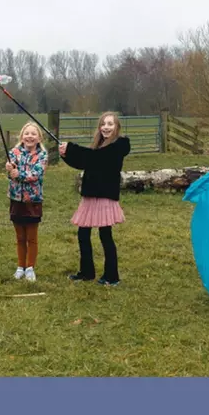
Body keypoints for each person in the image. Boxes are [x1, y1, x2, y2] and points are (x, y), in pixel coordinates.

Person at [59, 111, 131, 286]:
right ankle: (86, 272)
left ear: (117, 127)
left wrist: (72, 148)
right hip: (90, 196)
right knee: (83, 233)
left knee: (105, 235)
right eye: (103, 124)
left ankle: (112, 276)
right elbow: (85, 162)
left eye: (110, 124)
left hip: (105, 196)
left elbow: (97, 158)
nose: (106, 127)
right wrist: (65, 154)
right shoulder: (98, 145)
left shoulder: (120, 145)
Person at [5, 122, 48, 282]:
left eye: (33, 134)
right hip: (16, 199)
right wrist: (9, 168)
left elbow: (36, 174)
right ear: (22, 137)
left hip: (33, 201)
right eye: (27, 133)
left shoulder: (42, 155)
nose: (30, 136)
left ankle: (30, 267)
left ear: (39, 138)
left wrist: (19, 174)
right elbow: (11, 172)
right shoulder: (14, 152)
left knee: (31, 237)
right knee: (20, 237)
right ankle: (20, 267)